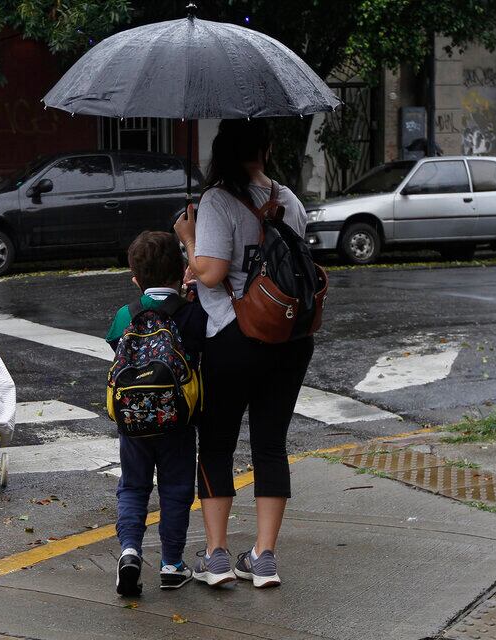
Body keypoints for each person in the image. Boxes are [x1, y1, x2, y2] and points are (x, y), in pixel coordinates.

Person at [174, 118, 314, 589]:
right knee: (271, 444)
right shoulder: (289, 200)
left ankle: (216, 557)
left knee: (217, 444)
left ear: (222, 152)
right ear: (265, 150)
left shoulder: (217, 200)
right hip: (288, 339)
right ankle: (264, 557)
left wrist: (188, 236)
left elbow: (212, 273)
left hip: (233, 337)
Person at [105, 231, 207, 596]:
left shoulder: (126, 315)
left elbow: (117, 347)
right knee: (176, 489)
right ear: (182, 271)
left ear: (136, 278)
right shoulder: (192, 313)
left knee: (133, 487)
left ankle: (130, 551)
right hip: (178, 420)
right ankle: (171, 564)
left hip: (133, 421)